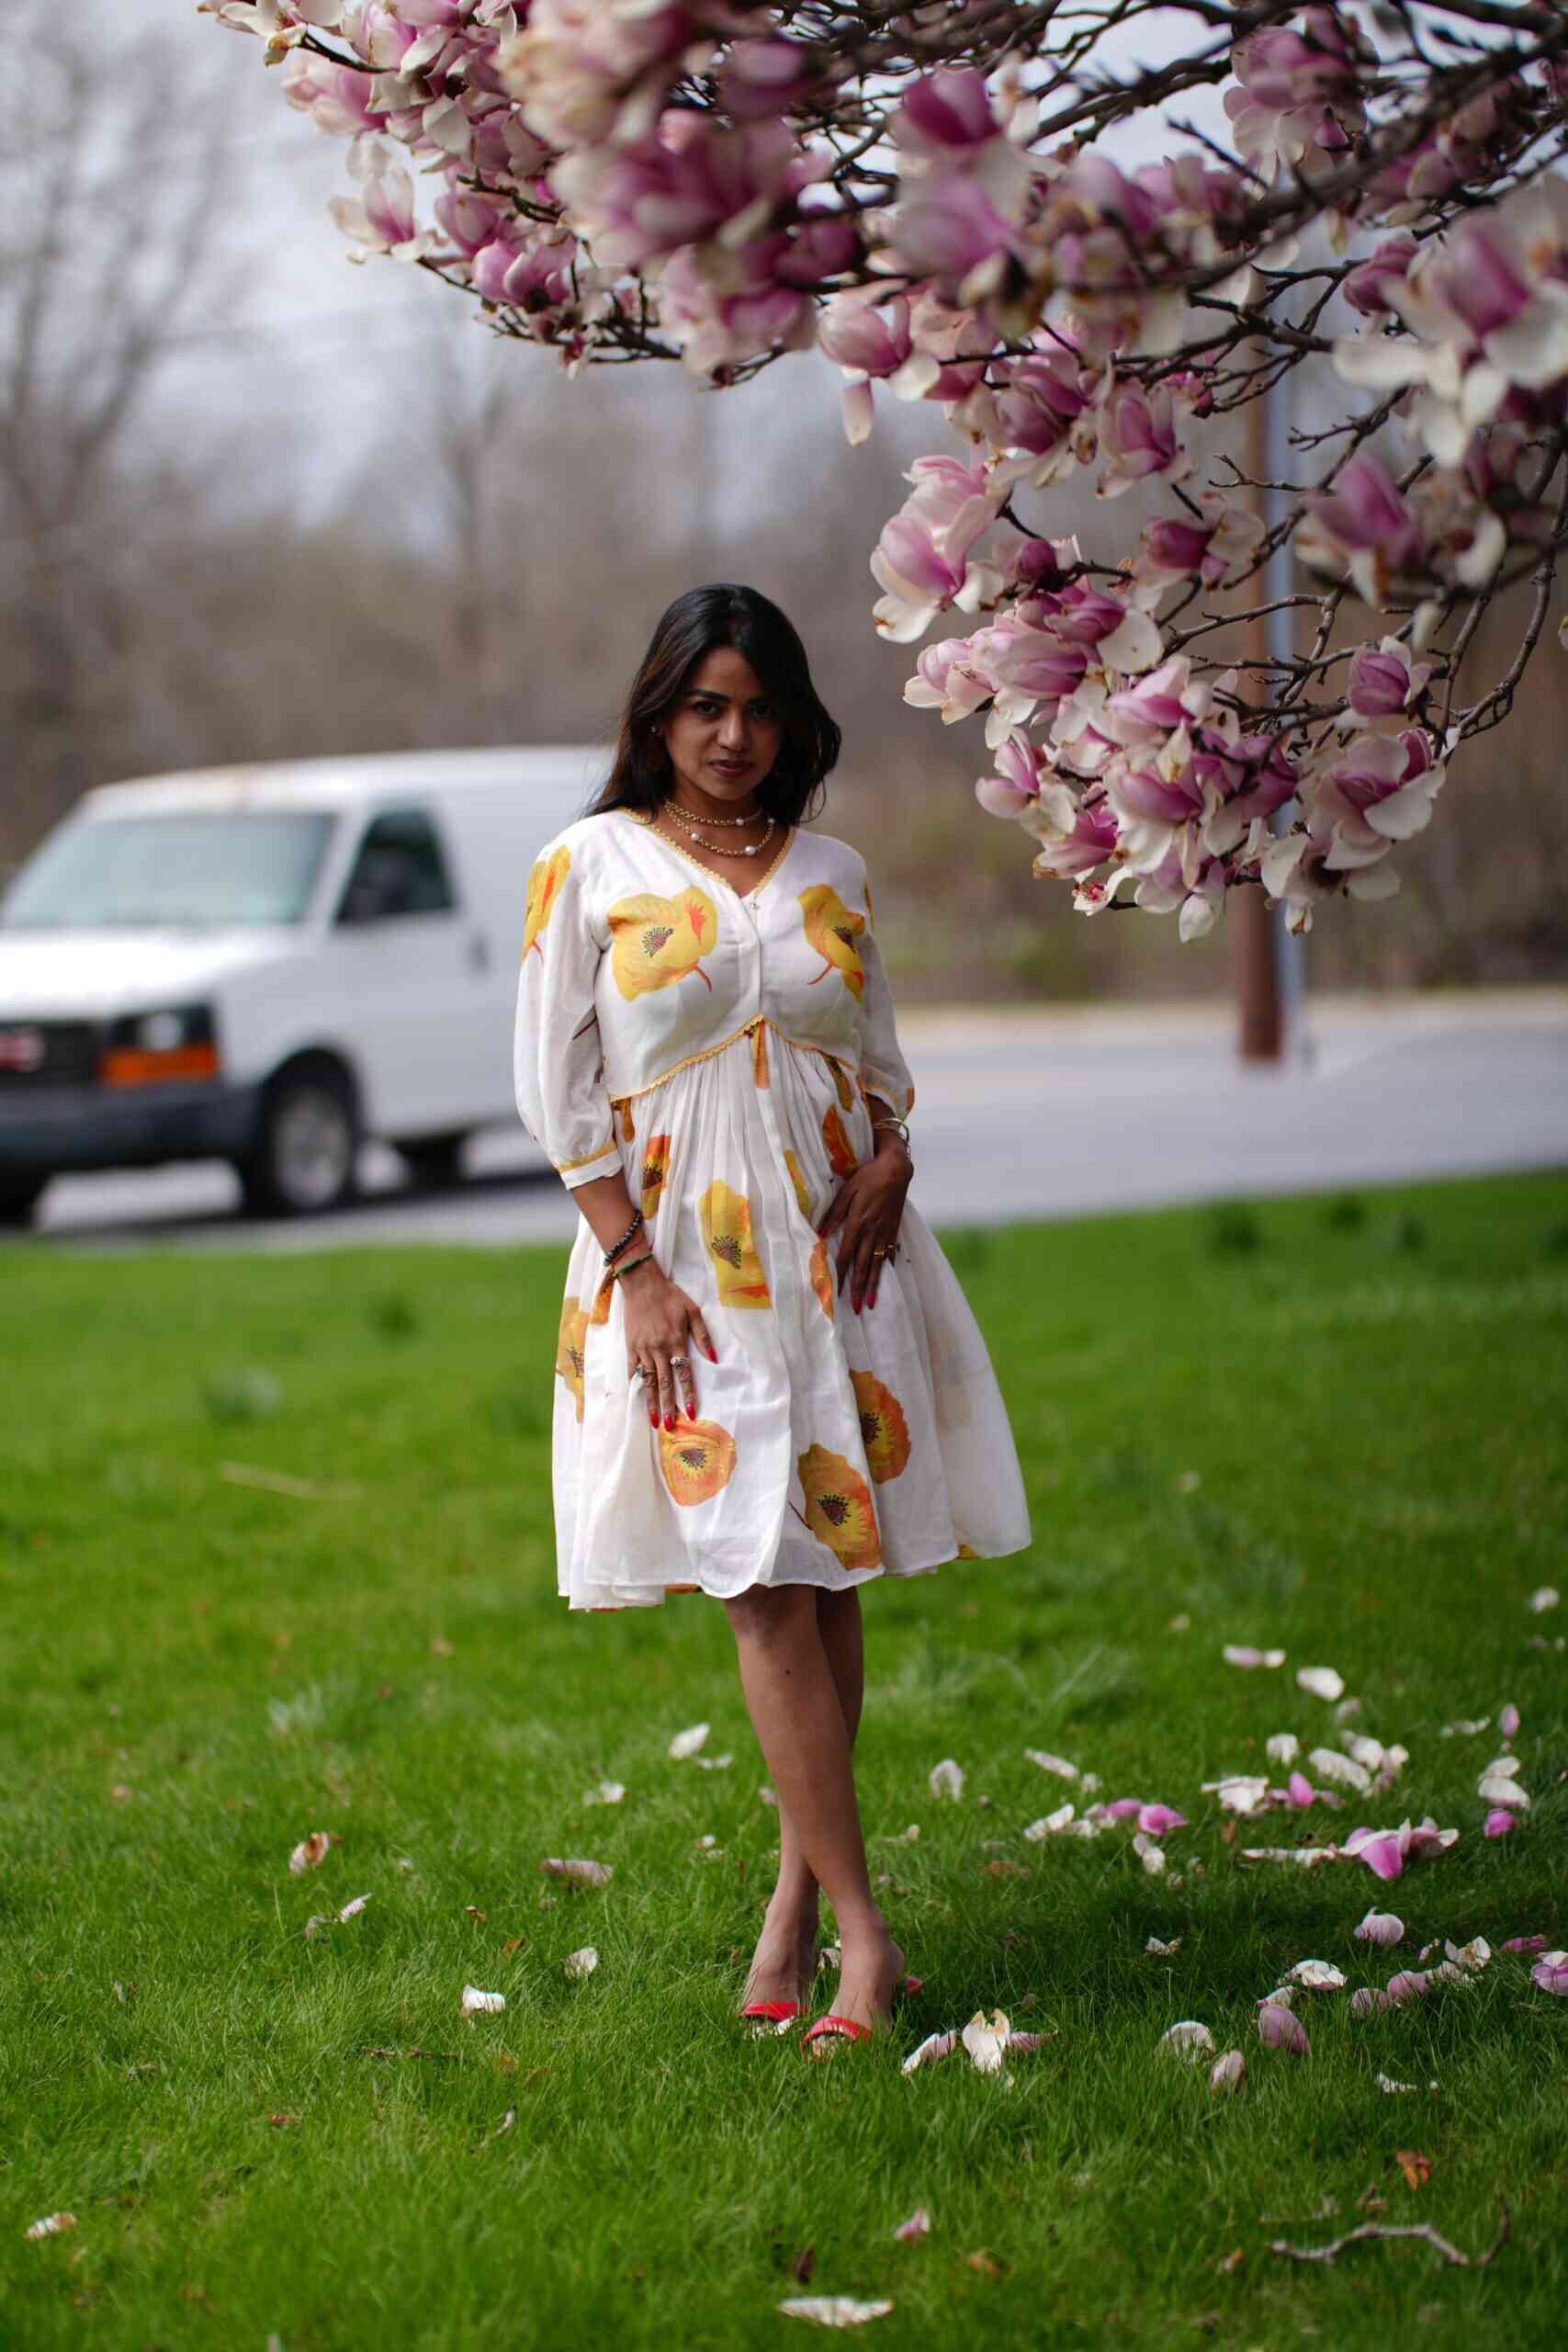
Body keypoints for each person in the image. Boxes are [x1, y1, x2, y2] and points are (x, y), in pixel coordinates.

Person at [514, 583, 1030, 2057]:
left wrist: (895, 1158)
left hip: (835, 1254)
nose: (733, 735)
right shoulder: (588, 863)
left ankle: (795, 1914)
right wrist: (636, 1269)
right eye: (705, 706)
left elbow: (880, 1058)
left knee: (826, 1561)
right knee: (757, 1579)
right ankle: (867, 1940)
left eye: (758, 708)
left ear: (793, 719)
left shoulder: (840, 870)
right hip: (679, 1261)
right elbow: (552, 1089)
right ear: (659, 715)